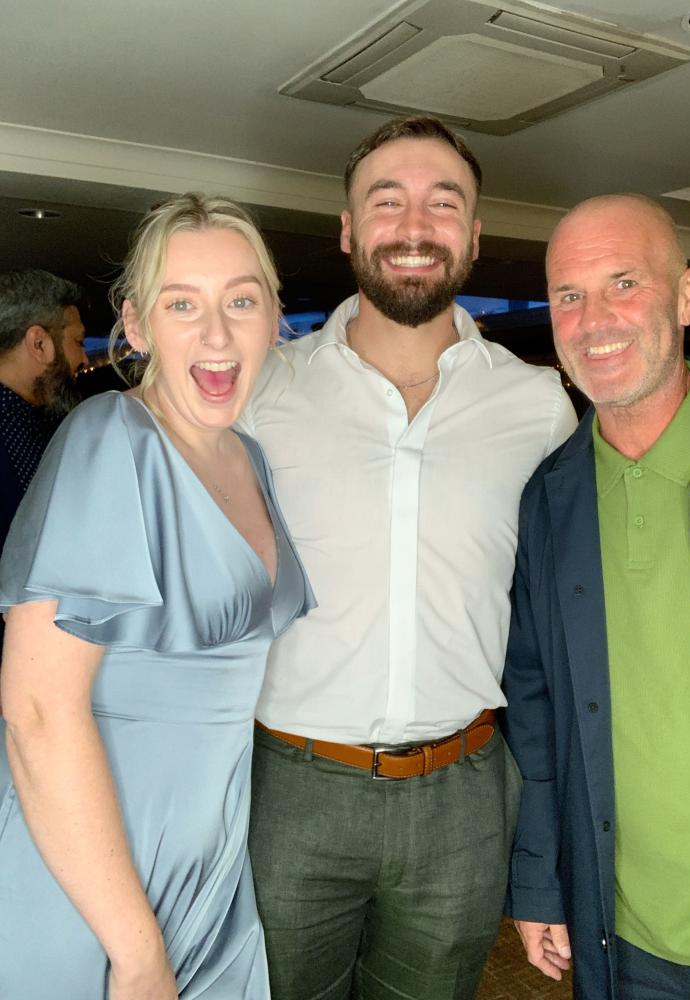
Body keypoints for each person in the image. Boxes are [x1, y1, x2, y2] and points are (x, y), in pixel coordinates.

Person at [239, 116, 577, 1000]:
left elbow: (558, 620)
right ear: (349, 230)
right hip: (289, 789)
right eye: (387, 202)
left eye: (444, 203)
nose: (416, 226)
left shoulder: (539, 406)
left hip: (465, 795)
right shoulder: (262, 390)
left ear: (475, 235)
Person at [0, 193, 313, 1000]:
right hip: (95, 879)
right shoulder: (110, 440)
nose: (217, 334)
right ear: (136, 325)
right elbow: (36, 713)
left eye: (240, 301)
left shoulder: (248, 456)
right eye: (183, 304)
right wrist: (137, 953)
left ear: (274, 316)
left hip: (209, 864)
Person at [503, 193, 690, 1000]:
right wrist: (541, 879)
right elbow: (535, 707)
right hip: (624, 941)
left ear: (687, 295)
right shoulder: (550, 500)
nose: (594, 320)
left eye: (624, 283)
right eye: (569, 295)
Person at [0, 268, 88, 557]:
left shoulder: (42, 424)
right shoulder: (19, 432)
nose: (84, 358)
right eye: (78, 342)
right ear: (39, 344)